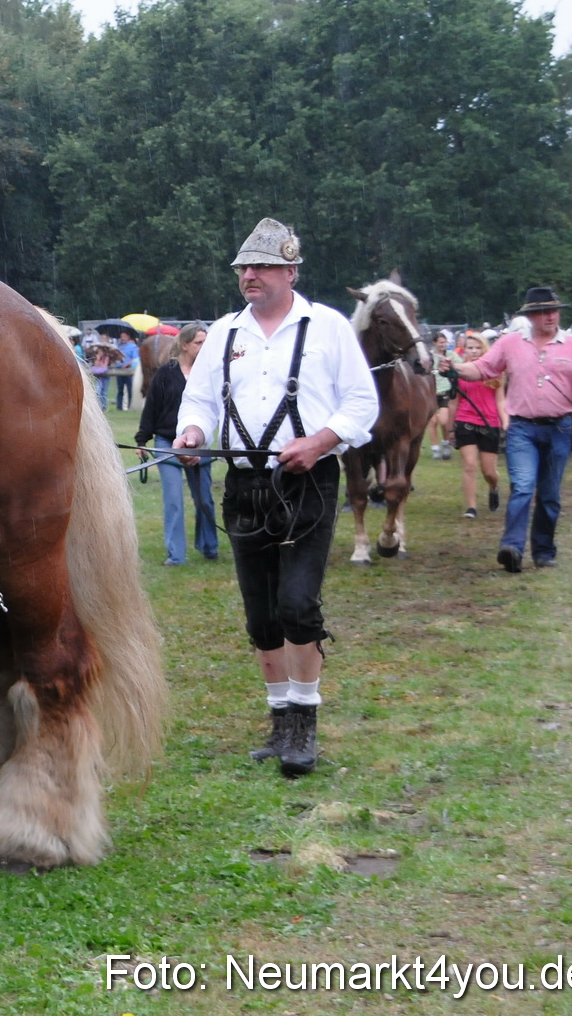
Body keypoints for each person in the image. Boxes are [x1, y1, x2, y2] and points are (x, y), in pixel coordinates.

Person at [175, 218, 379, 778]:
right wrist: (192, 432)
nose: (249, 276)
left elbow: (362, 404)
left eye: (261, 266)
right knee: (262, 615)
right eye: (244, 268)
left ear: (290, 271)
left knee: (296, 604)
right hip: (243, 485)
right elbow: (198, 402)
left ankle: (305, 723)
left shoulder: (329, 328)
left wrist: (320, 441)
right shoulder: (223, 333)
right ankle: (280, 721)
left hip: (308, 482)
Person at [440, 286, 572, 572]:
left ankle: (543, 550)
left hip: (560, 428)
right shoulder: (510, 343)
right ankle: (512, 548)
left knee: (549, 494)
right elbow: (482, 368)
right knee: (523, 487)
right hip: (522, 429)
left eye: (553, 311)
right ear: (530, 316)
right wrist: (453, 369)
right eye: (543, 312)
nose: (550, 316)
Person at [135, 323, 218, 565]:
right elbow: (151, 408)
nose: (203, 347)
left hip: (198, 445)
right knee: (174, 502)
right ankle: (176, 555)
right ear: (184, 345)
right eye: (198, 343)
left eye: (205, 343)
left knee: (205, 500)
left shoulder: (209, 374)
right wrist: (142, 440)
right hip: (167, 443)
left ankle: (209, 546)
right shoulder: (166, 373)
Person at [451, 332, 506, 519]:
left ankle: (493, 486)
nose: (474, 351)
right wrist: (450, 428)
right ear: (464, 349)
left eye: (478, 347)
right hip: (465, 420)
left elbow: (500, 401)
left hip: (489, 423)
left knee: (489, 472)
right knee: (469, 465)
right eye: (470, 347)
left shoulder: (495, 371)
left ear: (485, 349)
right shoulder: (458, 371)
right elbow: (453, 402)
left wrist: (505, 422)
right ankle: (471, 507)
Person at [428, 333, 457, 459]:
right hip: (431, 392)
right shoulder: (430, 355)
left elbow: (460, 365)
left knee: (444, 421)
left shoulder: (451, 355)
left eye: (445, 342)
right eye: (440, 342)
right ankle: (435, 449)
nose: (443, 344)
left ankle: (445, 443)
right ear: (435, 343)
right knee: (433, 421)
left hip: (445, 390)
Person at [114, 328, 140, 410]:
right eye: (121, 337)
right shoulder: (118, 347)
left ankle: (129, 406)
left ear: (128, 337)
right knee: (120, 389)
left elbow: (135, 358)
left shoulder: (133, 347)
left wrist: (126, 364)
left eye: (124, 336)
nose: (123, 338)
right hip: (119, 370)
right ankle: (119, 407)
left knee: (130, 389)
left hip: (128, 370)